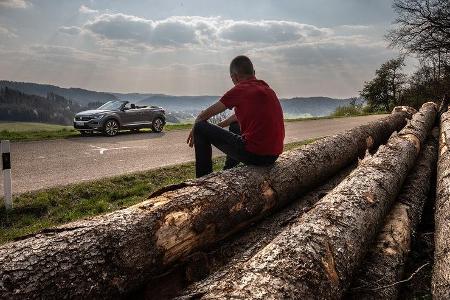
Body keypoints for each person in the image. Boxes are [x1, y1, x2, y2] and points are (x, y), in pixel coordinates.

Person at [187, 55, 285, 178]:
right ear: (253, 73)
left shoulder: (240, 89)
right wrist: (219, 126)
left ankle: (203, 179)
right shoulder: (267, 89)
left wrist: (195, 127)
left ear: (234, 77)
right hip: (273, 155)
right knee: (234, 126)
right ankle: (229, 169)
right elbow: (237, 117)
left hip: (256, 155)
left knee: (200, 127)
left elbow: (204, 116)